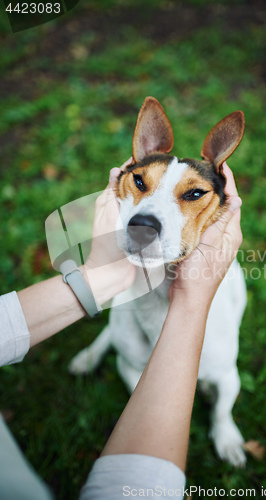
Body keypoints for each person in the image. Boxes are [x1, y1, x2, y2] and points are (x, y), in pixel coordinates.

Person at [0, 162, 242, 499]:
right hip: (133, 313)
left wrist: (222, 422)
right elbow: (130, 366)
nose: (146, 221)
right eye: (141, 183)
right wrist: (105, 275)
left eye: (192, 194)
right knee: (128, 354)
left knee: (220, 373)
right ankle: (105, 344)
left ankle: (220, 422)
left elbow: (227, 377)